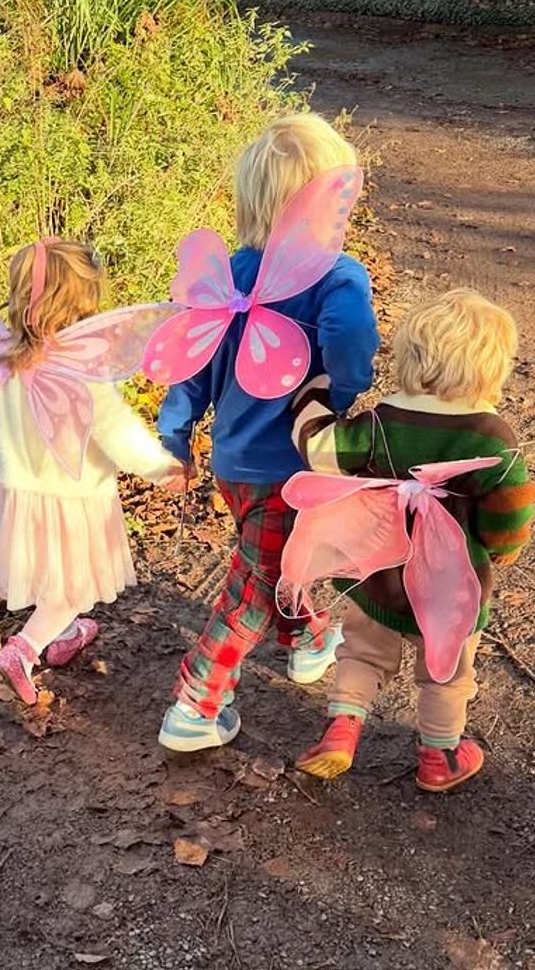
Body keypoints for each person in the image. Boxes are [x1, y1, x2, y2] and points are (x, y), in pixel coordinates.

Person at [156, 114, 381, 751]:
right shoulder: (335, 276)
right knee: (255, 584)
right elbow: (350, 340)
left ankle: (309, 642)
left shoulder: (228, 274)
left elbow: (191, 358)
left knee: (281, 557)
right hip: (293, 465)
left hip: (234, 461)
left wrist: (175, 435)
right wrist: (336, 392)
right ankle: (196, 705)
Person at [290, 289, 535, 791]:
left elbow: (320, 449)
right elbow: (510, 512)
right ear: (492, 369)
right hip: (449, 586)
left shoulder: (384, 421)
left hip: (378, 571)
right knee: (445, 668)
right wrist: (502, 549)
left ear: (413, 357)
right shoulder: (492, 437)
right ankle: (439, 757)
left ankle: (342, 726)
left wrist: (310, 394)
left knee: (361, 651)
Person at [0, 240, 186, 703]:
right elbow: (114, 428)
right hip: (69, 498)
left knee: (52, 574)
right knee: (76, 583)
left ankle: (62, 635)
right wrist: (158, 466)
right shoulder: (80, 367)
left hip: (13, 492)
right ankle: (23, 650)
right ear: (82, 303)